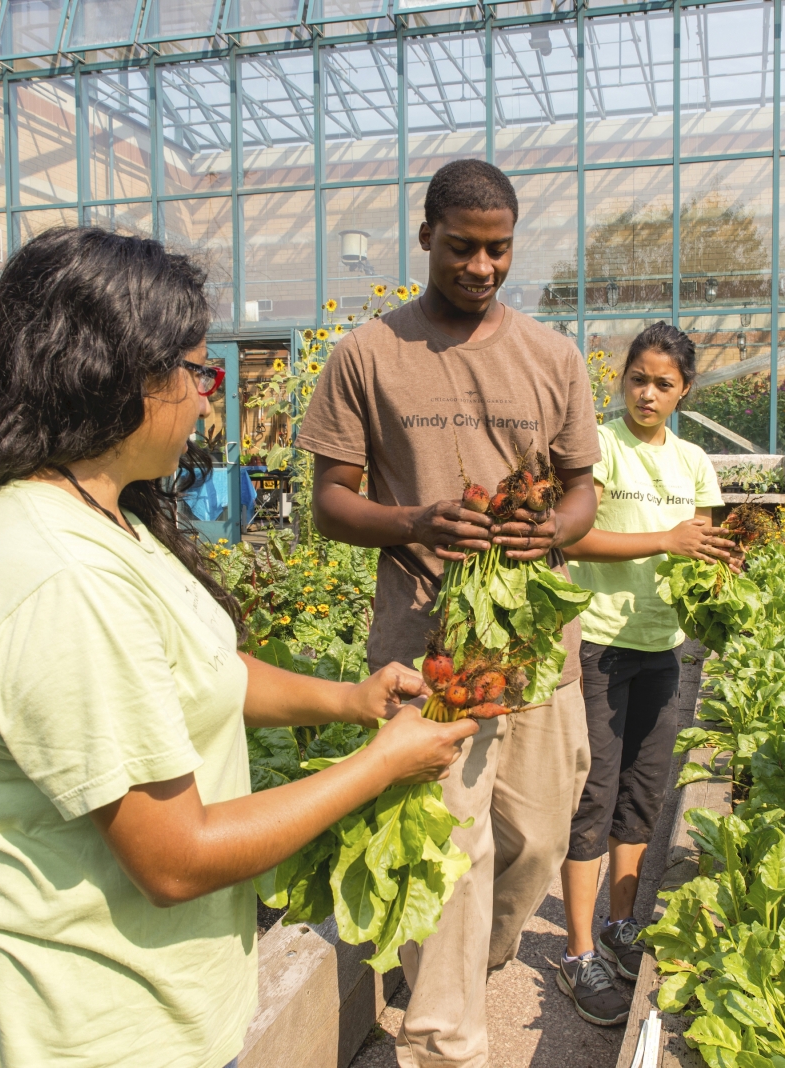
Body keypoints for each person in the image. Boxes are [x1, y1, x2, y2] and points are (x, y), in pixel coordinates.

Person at [0, 227, 479, 1068]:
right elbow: (176, 856)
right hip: (73, 1035)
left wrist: (347, 700)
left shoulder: (103, 517)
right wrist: (380, 763)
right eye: (197, 372)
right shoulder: (63, 577)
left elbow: (205, 670)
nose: (208, 398)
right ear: (122, 372)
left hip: (147, 1018)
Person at [298, 158, 601, 1067]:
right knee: (454, 852)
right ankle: (442, 1043)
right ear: (425, 236)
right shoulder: (369, 355)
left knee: (539, 833)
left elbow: (585, 492)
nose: (481, 267)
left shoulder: (551, 356)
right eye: (463, 247)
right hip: (427, 651)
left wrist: (547, 533)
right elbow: (329, 501)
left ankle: (482, 955)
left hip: (539, 648)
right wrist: (415, 520)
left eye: (498, 249)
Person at [558, 322, 732, 1025]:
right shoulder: (597, 447)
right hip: (599, 644)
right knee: (593, 797)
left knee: (642, 792)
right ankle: (576, 956)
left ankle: (620, 926)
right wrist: (664, 537)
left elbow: (709, 549)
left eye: (664, 383)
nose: (647, 393)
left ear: (685, 391)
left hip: (662, 647)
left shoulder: (694, 462)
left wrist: (727, 573)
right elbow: (570, 532)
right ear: (621, 379)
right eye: (638, 378)